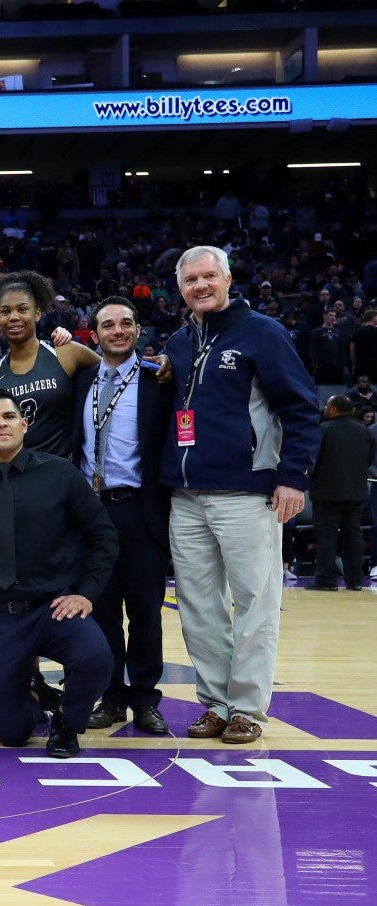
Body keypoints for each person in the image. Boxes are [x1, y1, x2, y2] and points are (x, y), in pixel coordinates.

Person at [163, 245, 320, 744]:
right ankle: (214, 703)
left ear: (228, 279)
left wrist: (292, 477)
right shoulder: (182, 341)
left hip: (248, 494)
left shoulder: (263, 333)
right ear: (181, 288)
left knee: (255, 602)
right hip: (186, 496)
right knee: (198, 605)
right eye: (192, 280)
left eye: (210, 276)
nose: (201, 286)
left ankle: (248, 709)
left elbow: (300, 407)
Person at [0, 389, 118, 758]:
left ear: (24, 424)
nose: (1, 424)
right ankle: (32, 694)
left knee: (96, 659)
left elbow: (103, 536)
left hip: (52, 608)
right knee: (11, 734)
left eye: (8, 417)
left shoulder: (60, 474)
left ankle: (66, 721)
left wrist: (86, 593)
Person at [71, 297, 173, 734]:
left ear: (137, 331)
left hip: (139, 510)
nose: (118, 330)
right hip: (91, 516)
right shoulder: (80, 380)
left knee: (146, 611)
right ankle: (111, 696)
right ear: (94, 335)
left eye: (126, 323)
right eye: (108, 324)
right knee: (103, 612)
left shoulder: (160, 380)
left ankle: (146, 699)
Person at [0, 270, 101, 457]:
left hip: (60, 476)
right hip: (13, 479)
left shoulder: (65, 351)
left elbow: (119, 370)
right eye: (5, 311)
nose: (13, 317)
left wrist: (162, 363)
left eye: (22, 309)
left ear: (37, 313)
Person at [307, 395, 375, 591]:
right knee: (353, 535)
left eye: (327, 405)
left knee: (327, 537)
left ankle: (326, 581)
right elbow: (369, 461)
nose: (325, 408)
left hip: (327, 493)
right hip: (356, 492)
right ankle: (355, 581)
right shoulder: (364, 431)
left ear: (334, 409)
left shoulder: (323, 430)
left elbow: (313, 461)